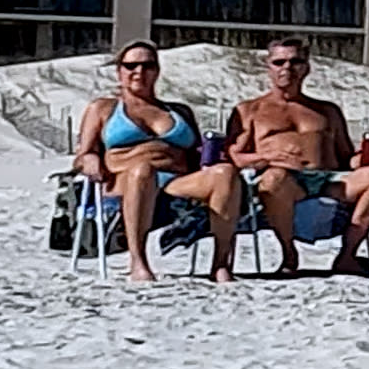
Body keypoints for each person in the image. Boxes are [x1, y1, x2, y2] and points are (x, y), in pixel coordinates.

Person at [223, 35, 369, 276]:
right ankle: (288, 253)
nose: (287, 68)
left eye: (295, 62)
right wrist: (266, 158)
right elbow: (234, 156)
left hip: (328, 180)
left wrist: (363, 160)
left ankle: (347, 255)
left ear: (306, 67)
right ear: (268, 67)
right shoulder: (250, 110)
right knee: (274, 180)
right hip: (284, 182)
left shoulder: (326, 110)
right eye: (279, 62)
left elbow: (345, 156)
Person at [74, 42, 249, 282]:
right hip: (123, 180)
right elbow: (82, 155)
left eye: (147, 65)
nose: (139, 72)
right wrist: (91, 159)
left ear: (157, 71)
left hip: (174, 181)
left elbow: (197, 155)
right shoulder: (103, 108)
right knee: (142, 170)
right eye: (131, 66)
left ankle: (220, 264)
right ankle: (138, 261)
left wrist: (214, 157)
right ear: (119, 71)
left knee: (225, 174)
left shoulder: (179, 111)